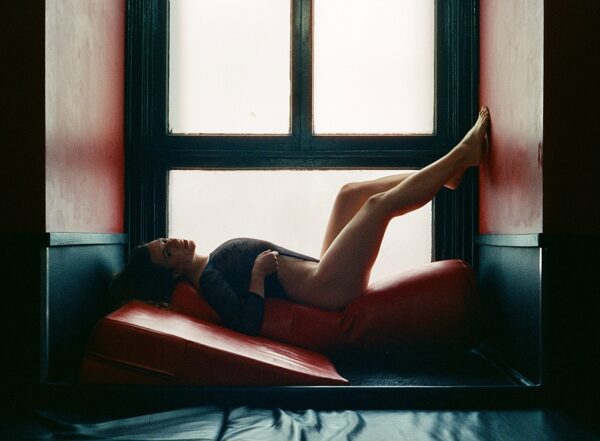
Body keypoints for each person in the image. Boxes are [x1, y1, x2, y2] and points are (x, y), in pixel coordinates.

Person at [112, 107, 490, 335]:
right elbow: (246, 322)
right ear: (173, 273)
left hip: (321, 271)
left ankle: (448, 175)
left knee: (349, 193)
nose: (173, 242)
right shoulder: (208, 279)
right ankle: (462, 154)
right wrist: (257, 277)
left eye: (164, 240)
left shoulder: (210, 264)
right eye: (167, 252)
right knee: (377, 206)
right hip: (329, 288)